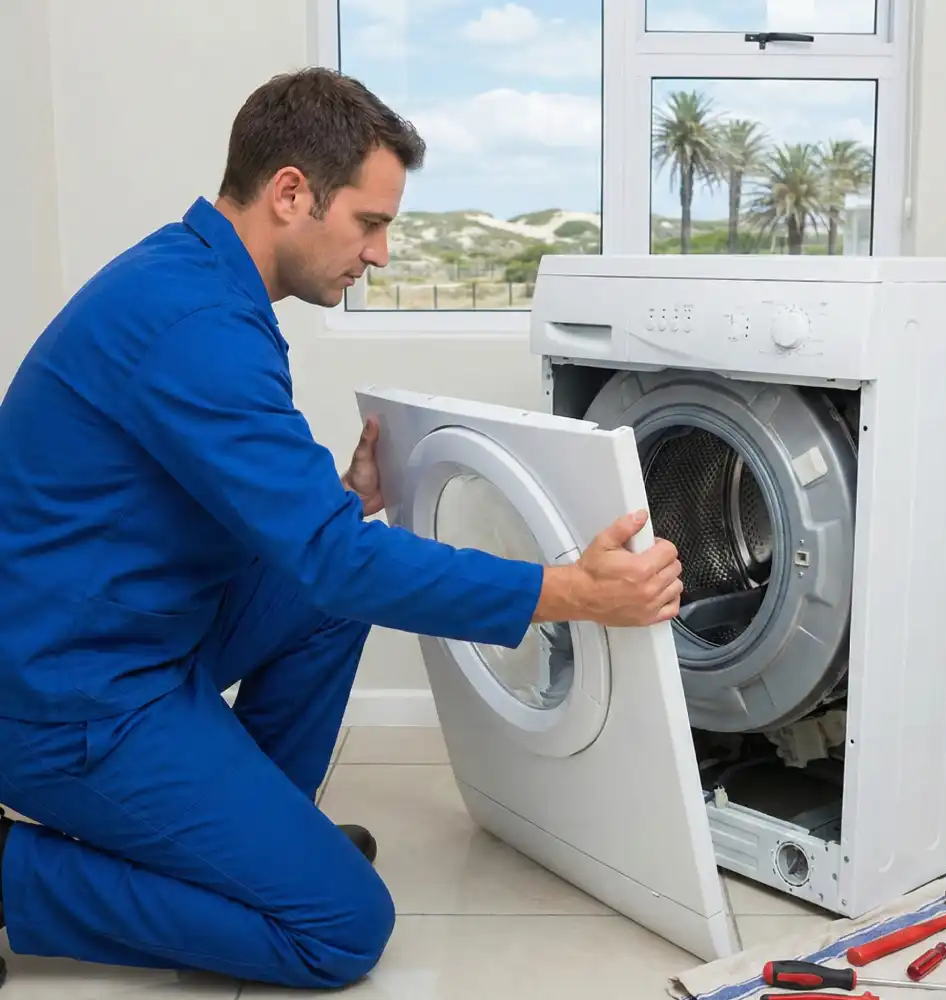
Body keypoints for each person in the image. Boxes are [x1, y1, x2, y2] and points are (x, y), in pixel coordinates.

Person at [0, 68, 684, 990]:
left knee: (319, 599)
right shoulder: (197, 324)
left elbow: (206, 507)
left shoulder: (196, 280)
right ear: (291, 193)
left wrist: (341, 501)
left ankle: (253, 846)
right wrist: (573, 593)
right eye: (371, 222)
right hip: (69, 698)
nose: (382, 254)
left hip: (116, 631)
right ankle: (18, 879)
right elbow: (333, 560)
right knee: (340, 930)